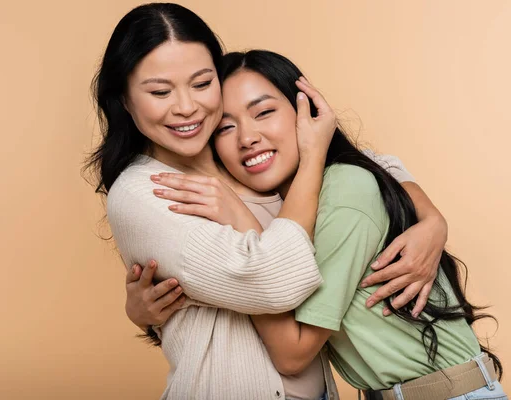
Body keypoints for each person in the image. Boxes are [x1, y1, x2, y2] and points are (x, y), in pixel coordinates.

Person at [87, 3, 448, 399]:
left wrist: (431, 221)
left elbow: (377, 169)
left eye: (203, 83)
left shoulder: (238, 155)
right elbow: (278, 282)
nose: (187, 107)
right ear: (123, 98)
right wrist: (310, 158)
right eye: (159, 91)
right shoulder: (144, 193)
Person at [129, 49, 505, 400]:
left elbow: (293, 354)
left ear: (306, 113)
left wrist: (243, 222)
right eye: (225, 128)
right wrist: (143, 313)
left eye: (263, 113)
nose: (247, 138)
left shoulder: (345, 189)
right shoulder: (288, 208)